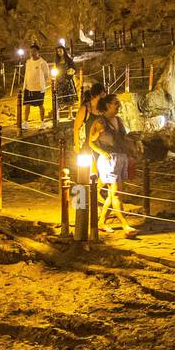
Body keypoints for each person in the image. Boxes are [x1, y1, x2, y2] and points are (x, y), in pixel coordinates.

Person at [88, 94, 137, 237]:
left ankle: (101, 222)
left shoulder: (119, 121)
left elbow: (124, 138)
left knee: (112, 194)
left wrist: (132, 151)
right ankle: (125, 225)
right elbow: (91, 142)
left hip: (121, 159)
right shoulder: (100, 123)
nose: (118, 106)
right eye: (116, 103)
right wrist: (102, 152)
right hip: (108, 161)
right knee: (116, 194)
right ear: (108, 105)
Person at [22, 44, 51, 127]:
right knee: (27, 105)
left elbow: (46, 74)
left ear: (38, 52)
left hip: (38, 88)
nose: (32, 53)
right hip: (28, 87)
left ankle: (42, 122)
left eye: (34, 51)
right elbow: (27, 73)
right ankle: (26, 122)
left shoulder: (42, 62)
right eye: (31, 51)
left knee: (40, 105)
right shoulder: (28, 62)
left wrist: (40, 82)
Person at [52, 45, 76, 116]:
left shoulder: (68, 60)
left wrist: (70, 75)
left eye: (60, 51)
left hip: (68, 80)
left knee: (69, 97)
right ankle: (57, 115)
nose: (59, 52)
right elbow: (55, 69)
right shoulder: (56, 61)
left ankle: (70, 114)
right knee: (59, 97)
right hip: (59, 80)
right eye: (58, 51)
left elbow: (74, 68)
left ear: (64, 51)